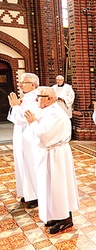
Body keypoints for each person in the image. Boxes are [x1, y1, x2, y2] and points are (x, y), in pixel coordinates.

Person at [23, 87, 79, 234]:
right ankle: (56, 214)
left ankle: (65, 219)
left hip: (56, 155)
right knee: (49, 186)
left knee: (58, 186)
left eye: (39, 96)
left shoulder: (56, 114)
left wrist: (33, 123)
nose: (36, 99)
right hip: (48, 153)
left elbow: (44, 136)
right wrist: (33, 123)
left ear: (50, 99)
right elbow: (33, 135)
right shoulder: (46, 110)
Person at [7, 73, 41, 209]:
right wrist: (16, 106)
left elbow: (25, 117)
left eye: (23, 82)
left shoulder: (37, 98)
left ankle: (36, 195)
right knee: (21, 164)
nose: (20, 85)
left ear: (33, 84)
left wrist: (15, 106)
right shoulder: (26, 98)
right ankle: (27, 192)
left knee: (31, 164)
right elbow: (15, 117)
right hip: (20, 135)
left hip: (29, 137)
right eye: (20, 82)